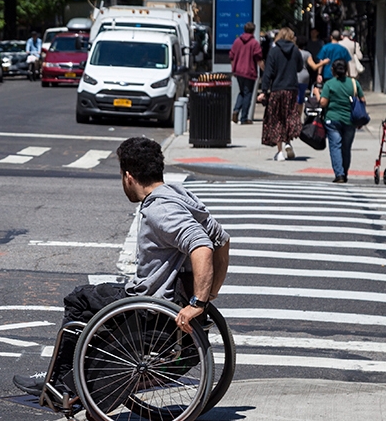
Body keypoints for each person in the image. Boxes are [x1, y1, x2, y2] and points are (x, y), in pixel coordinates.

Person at [12, 136, 231, 396]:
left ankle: (59, 381)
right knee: (97, 301)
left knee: (79, 301)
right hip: (166, 302)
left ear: (128, 176)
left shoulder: (160, 209)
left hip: (151, 308)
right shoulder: (181, 197)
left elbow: (203, 246)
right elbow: (222, 240)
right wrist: (211, 291)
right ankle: (76, 376)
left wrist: (198, 303)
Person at [257, 27, 303, 161]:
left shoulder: (274, 51)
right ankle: (288, 142)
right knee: (289, 116)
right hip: (291, 88)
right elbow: (300, 67)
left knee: (277, 118)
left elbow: (268, 73)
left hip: (277, 89)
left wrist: (264, 91)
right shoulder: (295, 50)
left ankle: (280, 151)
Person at [320, 59, 365, 183]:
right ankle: (344, 172)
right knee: (346, 147)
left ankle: (339, 174)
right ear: (346, 70)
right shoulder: (354, 83)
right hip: (350, 120)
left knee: (335, 146)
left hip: (332, 119)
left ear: (332, 70)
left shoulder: (329, 84)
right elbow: (362, 100)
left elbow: (323, 103)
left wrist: (317, 95)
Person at [228, 21, 264, 125]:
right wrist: (264, 71)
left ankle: (236, 110)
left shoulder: (237, 41)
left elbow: (232, 56)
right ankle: (244, 118)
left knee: (242, 92)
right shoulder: (254, 43)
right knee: (248, 94)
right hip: (250, 72)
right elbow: (259, 59)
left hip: (239, 71)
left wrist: (233, 69)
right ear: (253, 31)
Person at [295, 36, 312, 118]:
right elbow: (314, 66)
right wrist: (323, 63)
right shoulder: (307, 54)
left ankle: (293, 116)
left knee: (293, 96)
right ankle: (298, 116)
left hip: (294, 76)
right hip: (304, 76)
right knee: (301, 97)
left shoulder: (293, 52)